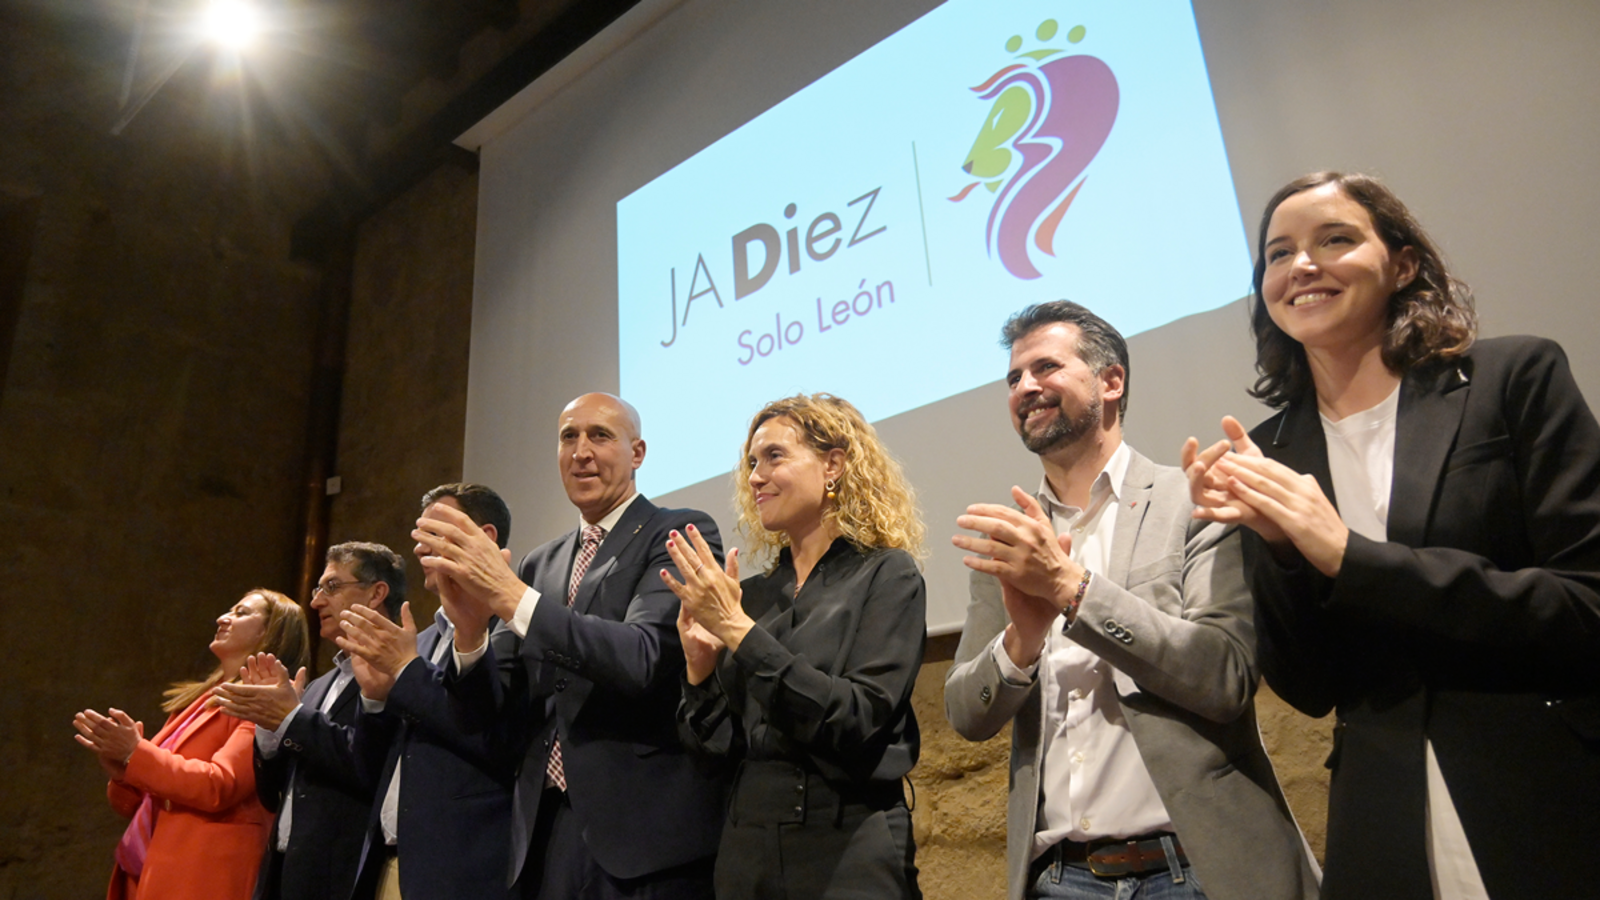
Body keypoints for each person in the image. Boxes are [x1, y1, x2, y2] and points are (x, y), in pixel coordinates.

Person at [1184, 172, 1600, 900]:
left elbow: (1586, 606)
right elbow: (1311, 690)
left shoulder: (1515, 377)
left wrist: (1349, 556)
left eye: (1335, 239)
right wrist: (1284, 551)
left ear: (1403, 263)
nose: (1302, 266)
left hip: (1549, 796)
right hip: (1386, 828)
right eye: (1277, 255)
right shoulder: (1269, 452)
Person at [945, 301, 1320, 900]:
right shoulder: (1013, 541)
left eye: (1046, 367)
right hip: (1060, 879)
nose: (1026, 387)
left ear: (1111, 381)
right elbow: (966, 713)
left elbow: (1224, 677)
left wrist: (1072, 591)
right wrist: (1021, 643)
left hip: (1195, 869)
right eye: (1014, 378)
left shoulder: (1192, 499)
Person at [411, 392, 728, 900]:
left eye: (600, 435)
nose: (581, 451)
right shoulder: (541, 563)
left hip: (644, 838)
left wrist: (513, 596)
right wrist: (471, 635)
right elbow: (497, 710)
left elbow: (642, 658)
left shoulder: (677, 531)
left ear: (638, 452)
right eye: (568, 437)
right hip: (548, 834)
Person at [662, 392, 926, 900]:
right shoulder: (755, 594)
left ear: (833, 464)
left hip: (847, 841)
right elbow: (714, 755)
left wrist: (738, 632)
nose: (755, 477)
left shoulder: (887, 573)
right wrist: (699, 670)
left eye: (775, 456)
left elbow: (856, 718)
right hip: (747, 847)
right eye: (752, 463)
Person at [337, 485, 519, 900]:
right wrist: (374, 700)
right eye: (418, 535)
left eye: (434, 532)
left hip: (462, 872)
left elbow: (492, 739)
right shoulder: (416, 642)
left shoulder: (512, 628)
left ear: (485, 538)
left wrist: (405, 672)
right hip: (387, 864)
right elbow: (370, 769)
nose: (418, 549)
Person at [75, 588, 310, 900]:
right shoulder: (198, 701)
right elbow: (134, 803)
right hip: (155, 865)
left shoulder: (264, 701)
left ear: (272, 632)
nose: (222, 618)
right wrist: (122, 769)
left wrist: (136, 752)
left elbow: (219, 785)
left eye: (241, 613)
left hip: (205, 871)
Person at [209, 542, 405, 900]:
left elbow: (368, 767)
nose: (315, 602)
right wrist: (270, 731)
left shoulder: (400, 675)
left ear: (377, 593)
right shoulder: (318, 686)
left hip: (340, 878)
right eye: (318, 589)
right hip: (286, 868)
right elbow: (273, 795)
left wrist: (292, 718)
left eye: (332, 587)